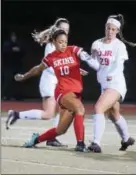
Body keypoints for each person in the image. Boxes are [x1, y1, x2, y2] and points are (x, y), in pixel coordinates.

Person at [6, 18, 88, 147]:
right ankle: (80, 144)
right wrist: (24, 76)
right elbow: (49, 66)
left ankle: (41, 138)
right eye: (62, 29)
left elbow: (65, 63)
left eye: (67, 30)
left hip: (63, 85)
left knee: (60, 127)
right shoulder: (53, 48)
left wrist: (76, 68)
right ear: (55, 31)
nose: (65, 31)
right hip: (52, 82)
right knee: (54, 112)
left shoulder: (66, 46)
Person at [81, 14, 136, 153]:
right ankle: (126, 139)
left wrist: (109, 74)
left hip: (116, 83)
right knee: (114, 115)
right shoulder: (97, 43)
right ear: (105, 28)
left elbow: (118, 65)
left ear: (117, 31)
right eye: (108, 28)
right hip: (105, 85)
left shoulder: (119, 46)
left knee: (98, 108)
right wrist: (87, 57)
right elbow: (97, 66)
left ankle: (96, 143)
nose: (110, 31)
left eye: (113, 29)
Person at [2, 31, 25, 100]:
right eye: (13, 36)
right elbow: (4, 53)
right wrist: (11, 50)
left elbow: (24, 52)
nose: (14, 38)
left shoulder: (19, 43)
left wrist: (19, 50)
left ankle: (18, 96)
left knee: (18, 80)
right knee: (8, 81)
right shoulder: (7, 44)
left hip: (18, 65)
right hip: (9, 65)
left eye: (15, 36)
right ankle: (6, 96)